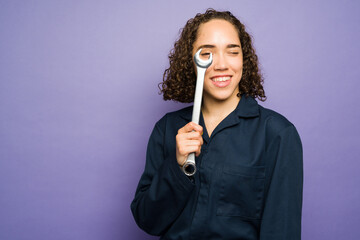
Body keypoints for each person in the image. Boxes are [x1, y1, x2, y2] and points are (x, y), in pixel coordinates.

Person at [131, 9, 303, 240]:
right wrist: (178, 166)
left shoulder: (278, 134)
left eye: (232, 52)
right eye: (207, 53)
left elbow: (281, 231)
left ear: (244, 59)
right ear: (190, 61)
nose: (222, 64)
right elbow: (147, 221)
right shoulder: (166, 129)